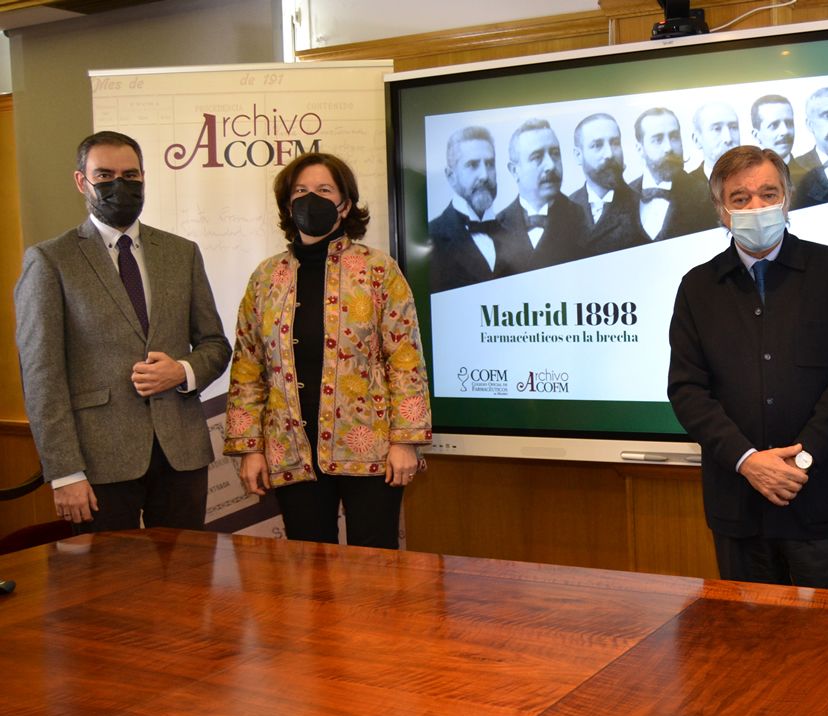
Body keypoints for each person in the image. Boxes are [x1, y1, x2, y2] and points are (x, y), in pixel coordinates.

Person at [668, 145, 828, 590]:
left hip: (819, 499)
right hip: (738, 504)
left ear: (787, 199)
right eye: (740, 198)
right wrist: (748, 461)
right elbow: (687, 390)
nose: (756, 207)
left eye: (768, 193)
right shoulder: (697, 287)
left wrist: (801, 458)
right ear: (721, 211)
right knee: (748, 648)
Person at [15, 130, 231, 532]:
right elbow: (42, 376)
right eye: (105, 175)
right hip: (98, 465)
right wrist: (65, 472)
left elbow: (215, 344)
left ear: (144, 178)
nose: (120, 185)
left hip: (181, 456)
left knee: (188, 583)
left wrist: (182, 372)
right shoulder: (50, 261)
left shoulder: (181, 253)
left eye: (131, 176)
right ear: (82, 181)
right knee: (108, 588)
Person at [224, 152, 433, 549]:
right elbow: (248, 367)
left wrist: (405, 441)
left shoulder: (378, 270)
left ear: (345, 204)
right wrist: (249, 448)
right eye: (301, 191)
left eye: (323, 190)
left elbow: (405, 359)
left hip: (370, 448)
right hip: (291, 450)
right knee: (309, 575)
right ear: (288, 203)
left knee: (375, 569)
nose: (310, 199)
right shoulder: (266, 277)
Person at [428, 125, 522, 292]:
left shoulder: (516, 235)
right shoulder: (431, 238)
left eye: (490, 164)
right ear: (451, 176)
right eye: (472, 165)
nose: (485, 175)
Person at [497, 119, 587, 272]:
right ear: (514, 171)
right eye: (537, 157)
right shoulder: (497, 226)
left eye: (555, 154)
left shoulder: (584, 217)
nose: (551, 165)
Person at [568, 113, 648, 256]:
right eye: (597, 145)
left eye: (615, 143)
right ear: (578, 155)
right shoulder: (564, 211)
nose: (610, 154)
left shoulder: (643, 206)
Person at [630, 107, 714, 241]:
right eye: (657, 139)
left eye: (674, 137)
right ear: (640, 149)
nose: (668, 147)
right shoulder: (624, 197)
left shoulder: (706, 195)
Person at [687, 101, 742, 186]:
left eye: (733, 127)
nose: (728, 138)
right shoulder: (685, 187)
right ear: (697, 140)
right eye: (717, 129)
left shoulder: (758, 178)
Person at [750, 94, 796, 163]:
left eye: (789, 123)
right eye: (774, 125)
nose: (785, 131)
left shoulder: (810, 173)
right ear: (756, 136)